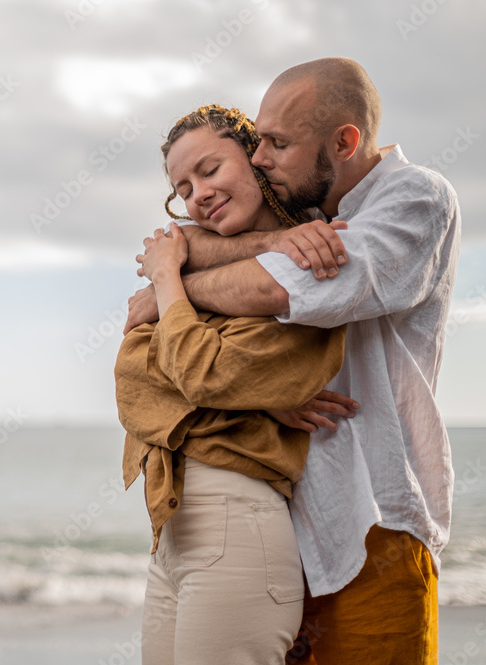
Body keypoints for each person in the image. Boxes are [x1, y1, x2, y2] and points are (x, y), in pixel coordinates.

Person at [125, 57, 461, 664]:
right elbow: (195, 243)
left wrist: (168, 288)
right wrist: (205, 260)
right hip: (286, 519)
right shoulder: (304, 216)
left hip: (371, 517)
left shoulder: (413, 198)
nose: (259, 158)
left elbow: (291, 288)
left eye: (276, 143)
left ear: (344, 142)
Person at [115, 104, 347, 664]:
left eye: (211, 169)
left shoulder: (309, 266)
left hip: (237, 523)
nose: (198, 194)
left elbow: (200, 372)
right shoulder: (204, 266)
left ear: (257, 158)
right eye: (183, 187)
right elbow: (132, 377)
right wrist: (260, 401)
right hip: (173, 528)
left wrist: (167, 282)